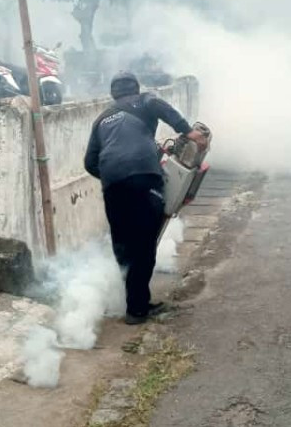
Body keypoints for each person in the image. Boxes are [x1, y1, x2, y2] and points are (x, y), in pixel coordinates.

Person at [84, 71, 208, 325]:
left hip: (112, 184)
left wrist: (114, 176)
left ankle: (126, 300)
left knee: (123, 244)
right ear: (136, 89)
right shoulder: (144, 101)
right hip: (143, 176)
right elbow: (160, 107)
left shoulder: (101, 120)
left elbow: (89, 163)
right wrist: (188, 131)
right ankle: (137, 310)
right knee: (144, 242)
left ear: (113, 93)